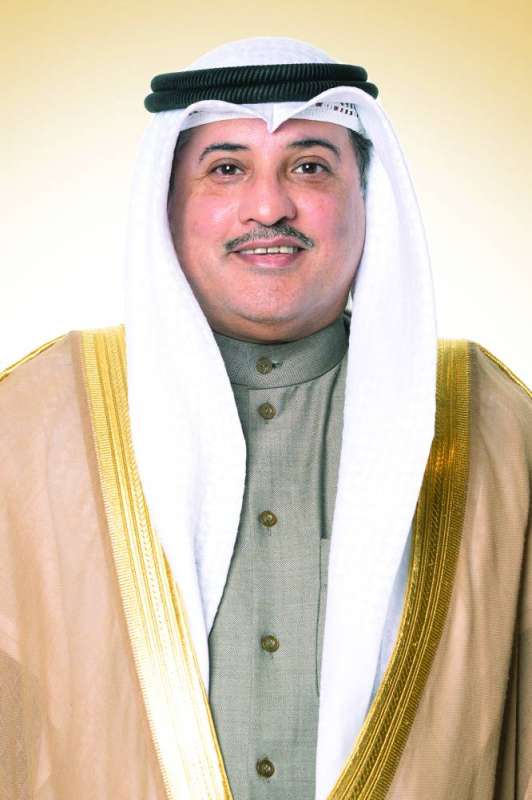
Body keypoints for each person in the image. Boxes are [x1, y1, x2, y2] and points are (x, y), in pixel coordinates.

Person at [0, 36, 530, 800]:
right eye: (226, 168)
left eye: (309, 166)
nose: (270, 207)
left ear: (366, 198)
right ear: (167, 202)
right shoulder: (34, 422)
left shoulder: (494, 426)